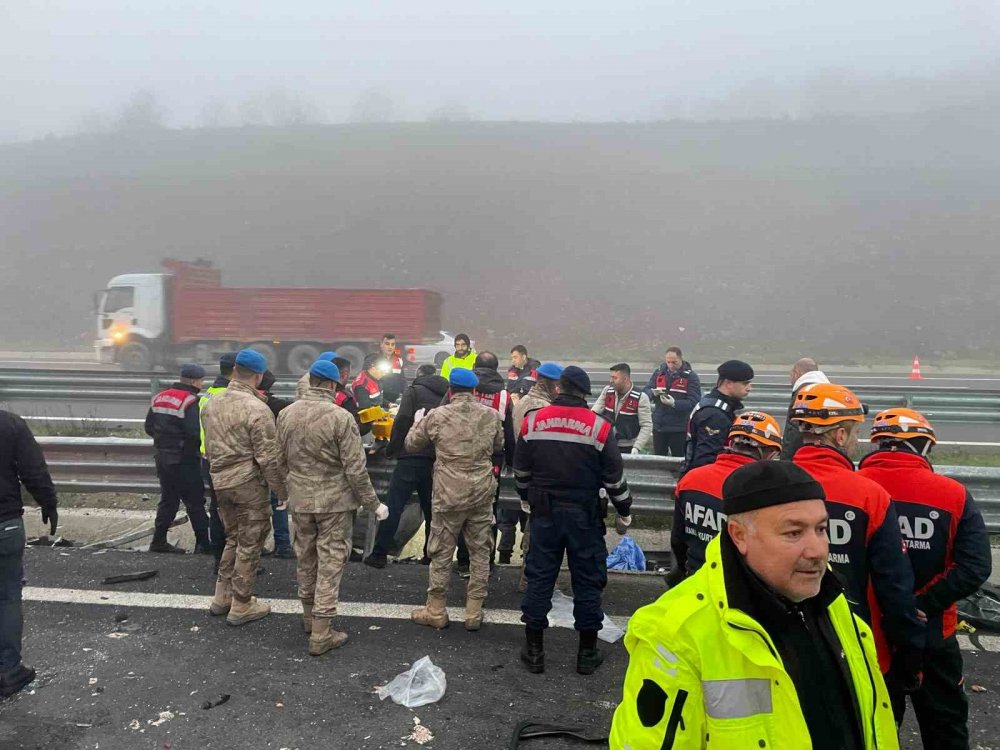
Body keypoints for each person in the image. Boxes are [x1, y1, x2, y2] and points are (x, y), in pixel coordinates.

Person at [610, 461, 900, 750]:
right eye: (793, 533)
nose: (817, 551)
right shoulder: (675, 632)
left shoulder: (832, 596)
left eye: (822, 529)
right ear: (739, 535)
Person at [859, 408, 991, 744]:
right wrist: (923, 604)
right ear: (923, 446)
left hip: (865, 631)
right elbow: (975, 566)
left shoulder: (851, 489)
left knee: (873, 729)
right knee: (945, 727)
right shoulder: (953, 494)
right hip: (932, 631)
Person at [790, 382, 925, 686]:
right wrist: (909, 652)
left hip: (783, 641)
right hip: (853, 645)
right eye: (854, 433)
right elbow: (894, 585)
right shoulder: (869, 495)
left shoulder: (770, 483)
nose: (855, 441)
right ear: (840, 435)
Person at [515, 366, 633, 675]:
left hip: (544, 515)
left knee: (540, 578)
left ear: (558, 389)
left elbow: (521, 473)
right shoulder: (600, 427)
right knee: (588, 581)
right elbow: (614, 480)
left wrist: (529, 499)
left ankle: (535, 652)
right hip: (584, 516)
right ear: (584, 394)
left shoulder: (532, 422)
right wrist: (625, 511)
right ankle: (586, 654)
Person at [276, 359, 388, 655]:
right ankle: (322, 633)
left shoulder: (286, 414)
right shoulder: (340, 418)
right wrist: (373, 503)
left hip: (300, 501)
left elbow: (279, 460)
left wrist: (281, 492)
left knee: (306, 558)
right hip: (334, 503)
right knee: (330, 563)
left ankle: (309, 618)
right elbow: (355, 469)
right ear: (331, 385)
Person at [405, 368, 504, 632]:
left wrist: (418, 421)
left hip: (449, 492)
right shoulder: (491, 415)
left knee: (441, 550)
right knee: (480, 550)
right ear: (474, 391)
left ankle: (436, 609)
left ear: (450, 390)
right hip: (481, 491)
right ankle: (473, 611)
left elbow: (412, 444)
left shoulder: (438, 416)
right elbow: (498, 445)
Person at [201, 348, 288, 626]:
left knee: (232, 538)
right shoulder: (256, 409)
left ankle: (221, 597)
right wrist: (282, 492)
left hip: (219, 482)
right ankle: (242, 604)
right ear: (259, 376)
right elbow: (268, 458)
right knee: (250, 543)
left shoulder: (212, 403)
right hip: (248, 485)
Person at [668, 411, 782, 583]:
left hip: (696, 580)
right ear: (770, 453)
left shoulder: (691, 479)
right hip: (741, 589)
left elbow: (678, 539)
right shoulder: (768, 493)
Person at [365, 363, 449, 569]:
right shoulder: (447, 395)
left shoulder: (413, 391)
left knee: (394, 506)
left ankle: (379, 554)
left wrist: (393, 448)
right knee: (432, 511)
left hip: (410, 456)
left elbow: (402, 420)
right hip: (434, 459)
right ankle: (430, 556)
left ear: (419, 375)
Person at [0, 411, 57, 699]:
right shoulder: (9, 423)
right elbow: (33, 470)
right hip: (5, 524)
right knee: (7, 598)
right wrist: (48, 502)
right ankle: (9, 670)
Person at [451, 351, 515, 571]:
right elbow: (509, 434)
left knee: (461, 509)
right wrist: (512, 462)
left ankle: (463, 559)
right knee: (489, 511)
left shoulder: (463, 390)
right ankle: (485, 560)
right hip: (491, 462)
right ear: (496, 369)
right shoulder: (504, 396)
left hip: (458, 457)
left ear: (475, 366)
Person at [144, 364, 211, 554]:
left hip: (163, 458)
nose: (201, 384)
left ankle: (158, 541)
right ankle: (203, 544)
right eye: (201, 381)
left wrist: (164, 442)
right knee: (195, 502)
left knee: (168, 500)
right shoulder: (190, 401)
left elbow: (148, 427)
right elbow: (194, 432)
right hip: (184, 460)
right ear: (193, 381)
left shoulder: (160, 397)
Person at [682, 359, 754, 473]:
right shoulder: (714, 414)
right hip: (704, 480)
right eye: (745, 383)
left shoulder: (718, 405)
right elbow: (706, 459)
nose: (750, 388)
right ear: (729, 383)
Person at [200, 352, 236, 564]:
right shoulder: (231, 398)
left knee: (216, 509)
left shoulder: (207, 396)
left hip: (208, 460)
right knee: (238, 513)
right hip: (230, 461)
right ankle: (234, 561)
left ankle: (218, 559)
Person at [259, 369, 294, 559]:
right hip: (273, 460)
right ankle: (283, 546)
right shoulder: (276, 404)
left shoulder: (249, 402)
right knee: (278, 502)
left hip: (252, 463)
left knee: (256, 506)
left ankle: (257, 545)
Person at [643, 347, 701, 457]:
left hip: (678, 428)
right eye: (668, 362)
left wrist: (675, 404)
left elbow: (694, 402)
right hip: (659, 426)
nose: (671, 365)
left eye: (674, 362)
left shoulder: (691, 377)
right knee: (658, 460)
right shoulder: (659, 373)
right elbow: (646, 390)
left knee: (678, 459)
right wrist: (652, 393)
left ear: (681, 359)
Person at [592, 363, 653, 454]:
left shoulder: (641, 397)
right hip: (607, 443)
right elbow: (594, 413)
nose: (611, 381)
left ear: (625, 379)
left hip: (628, 447)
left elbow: (646, 425)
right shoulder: (607, 391)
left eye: (615, 378)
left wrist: (637, 447)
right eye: (611, 377)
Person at [780, 357, 829, 460]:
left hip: (802, 459)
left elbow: (793, 433)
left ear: (796, 373)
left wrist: (786, 463)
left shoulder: (802, 394)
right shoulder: (830, 391)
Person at [379, 333, 407, 404]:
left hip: (394, 399)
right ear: (381, 345)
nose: (390, 347)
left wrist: (407, 395)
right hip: (380, 400)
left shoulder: (398, 360)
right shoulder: (375, 360)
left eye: (392, 344)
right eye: (387, 344)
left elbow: (402, 379)